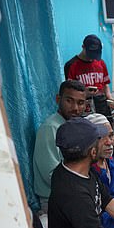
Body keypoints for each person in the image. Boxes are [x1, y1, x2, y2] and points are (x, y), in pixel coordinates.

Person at [33, 80, 86, 208]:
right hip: (55, 199)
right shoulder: (50, 128)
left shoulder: (74, 127)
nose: (75, 108)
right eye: (69, 101)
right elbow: (52, 176)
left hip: (74, 194)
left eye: (80, 103)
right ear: (58, 99)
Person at [64, 34, 113, 116]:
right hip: (82, 105)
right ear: (83, 47)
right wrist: (84, 92)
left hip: (101, 104)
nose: (92, 58)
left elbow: (105, 84)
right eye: (90, 54)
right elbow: (69, 91)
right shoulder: (71, 65)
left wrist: (109, 98)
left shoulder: (101, 63)